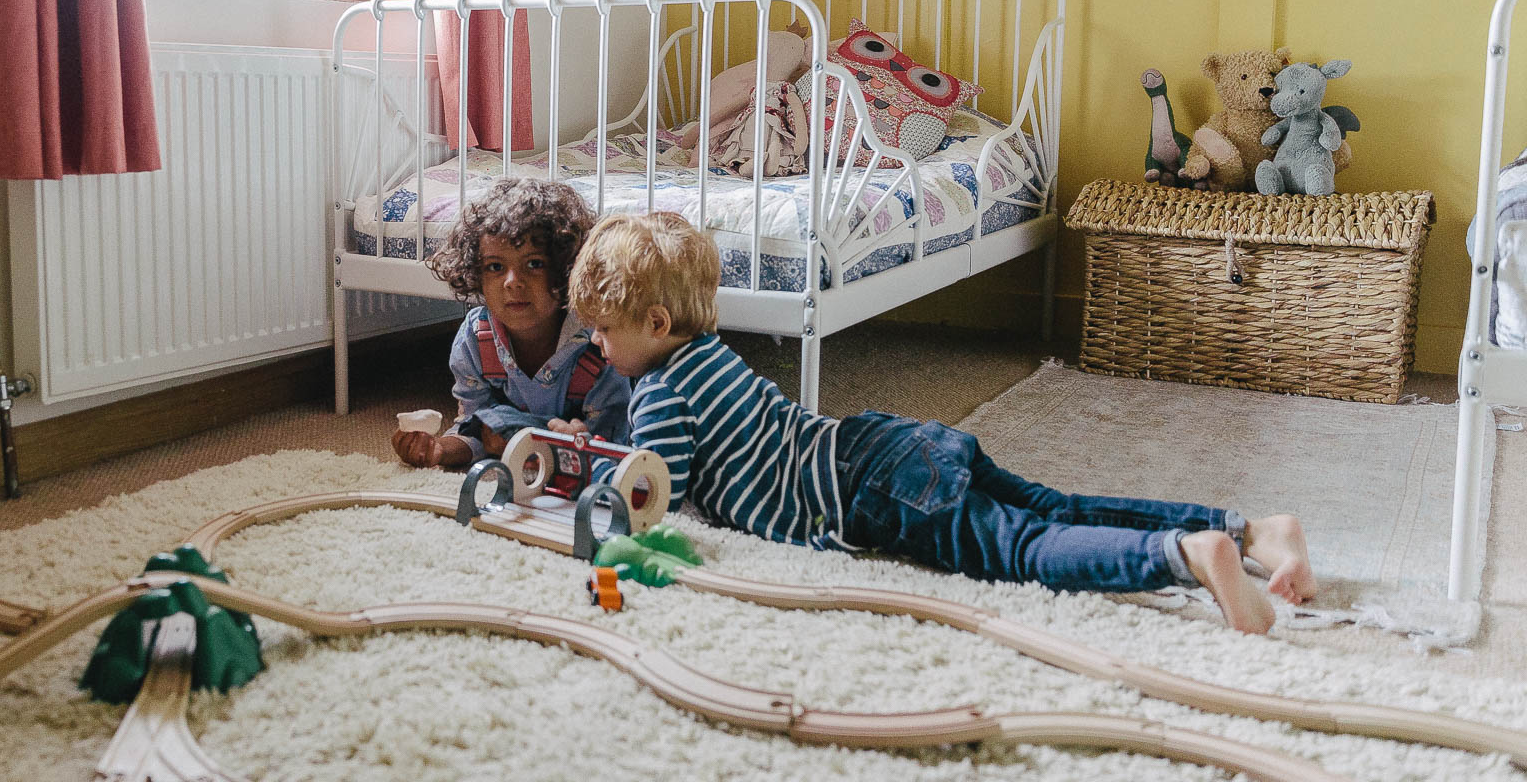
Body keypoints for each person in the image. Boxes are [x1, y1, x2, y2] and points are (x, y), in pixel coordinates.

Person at [568, 212, 1316, 635]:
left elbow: (651, 489)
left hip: (873, 491)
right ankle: (1251, 531)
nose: (595, 345)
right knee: (1053, 506)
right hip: (892, 441)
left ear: (656, 321)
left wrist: (595, 482)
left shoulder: (659, 394)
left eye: (601, 331)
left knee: (1024, 547)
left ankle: (1186, 554)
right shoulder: (713, 354)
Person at [392, 178, 631, 470]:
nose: (512, 282)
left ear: (567, 266)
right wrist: (439, 449)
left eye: (533, 264)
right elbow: (474, 426)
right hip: (516, 434)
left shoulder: (600, 342)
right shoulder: (475, 339)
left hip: (586, 446)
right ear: (476, 273)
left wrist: (561, 447)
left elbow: (616, 446)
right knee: (492, 424)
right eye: (495, 267)